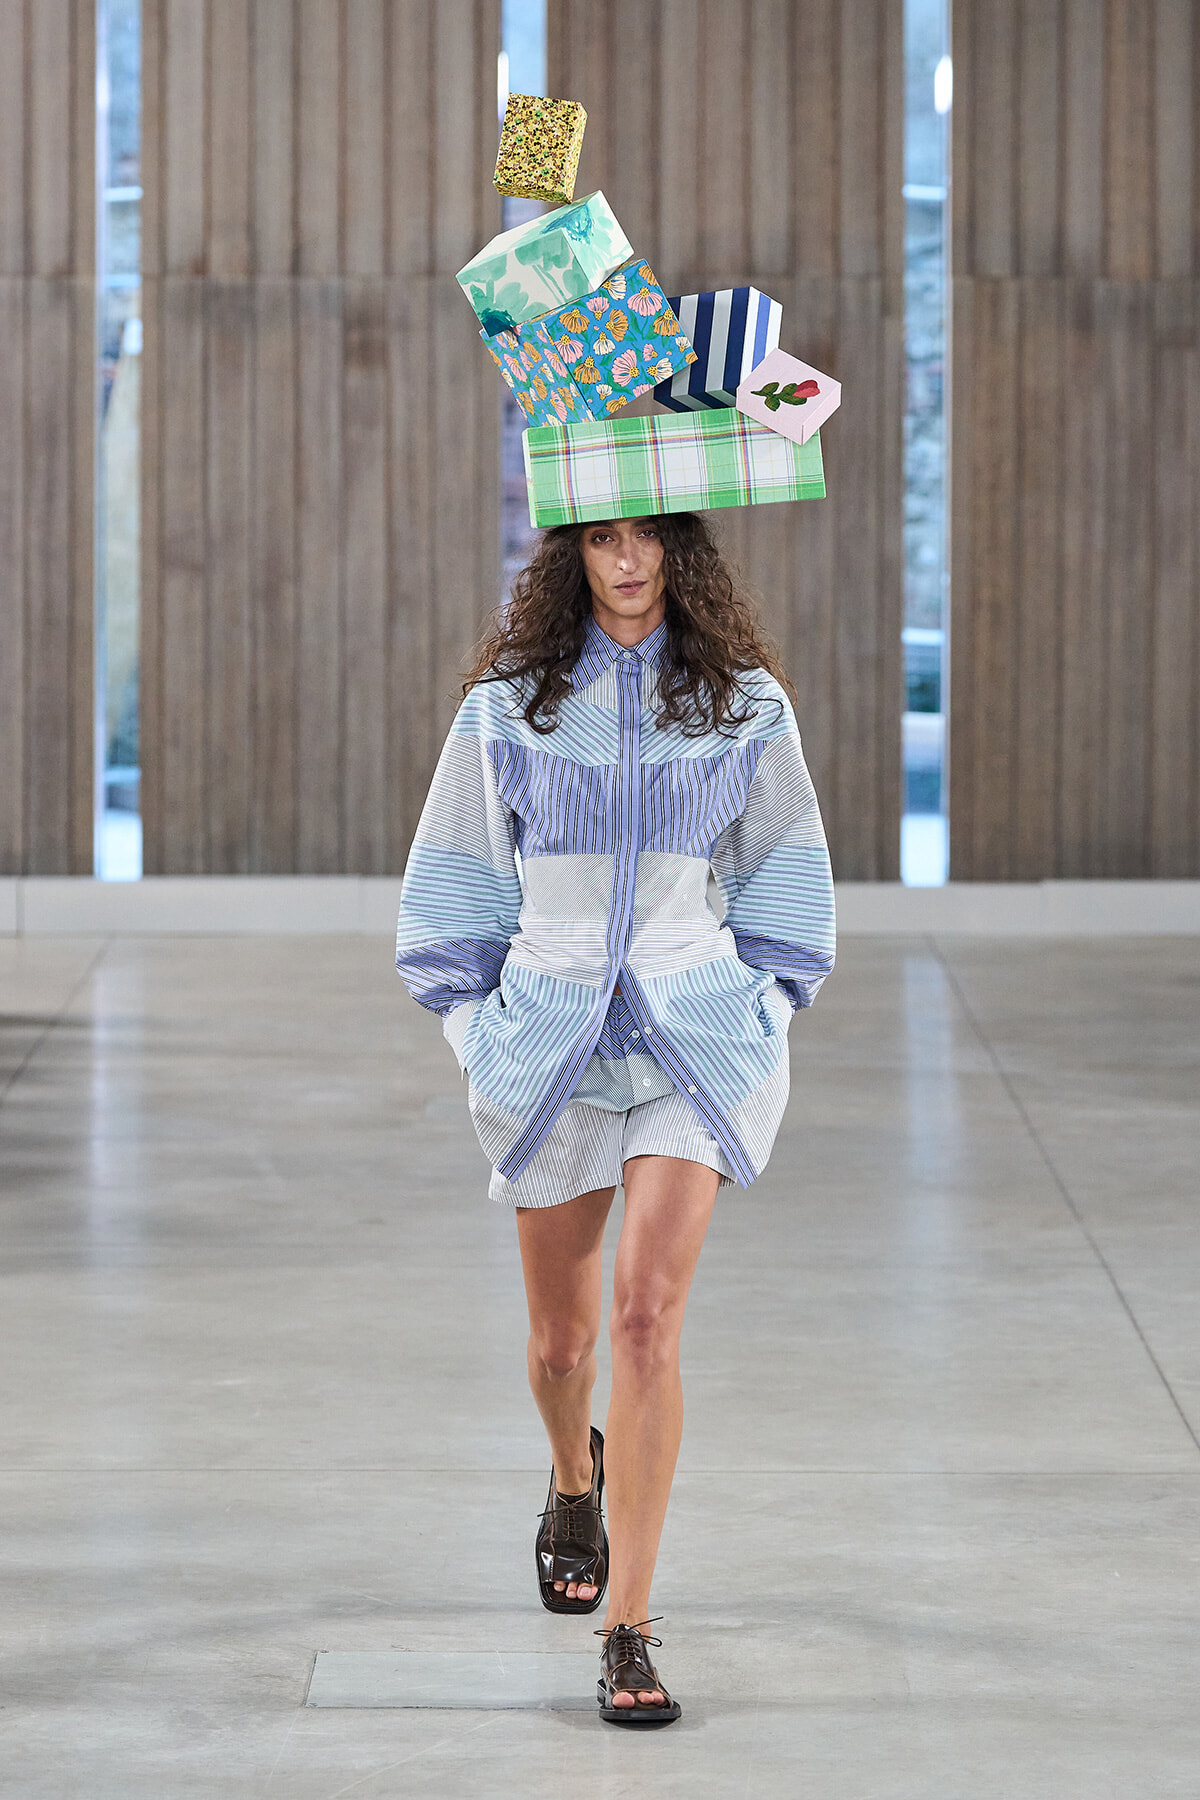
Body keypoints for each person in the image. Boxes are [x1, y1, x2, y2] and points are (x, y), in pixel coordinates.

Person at [395, 512, 835, 1726]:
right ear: (571, 558)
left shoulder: (743, 705)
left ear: (683, 556)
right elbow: (454, 882)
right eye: (604, 543)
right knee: (561, 1345)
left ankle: (629, 1625)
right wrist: (475, 1027)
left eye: (650, 543)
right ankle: (570, 1472)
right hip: (551, 1040)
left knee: (646, 1318)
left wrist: (766, 999)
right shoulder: (511, 707)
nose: (629, 564)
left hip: (695, 1037)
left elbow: (788, 871)